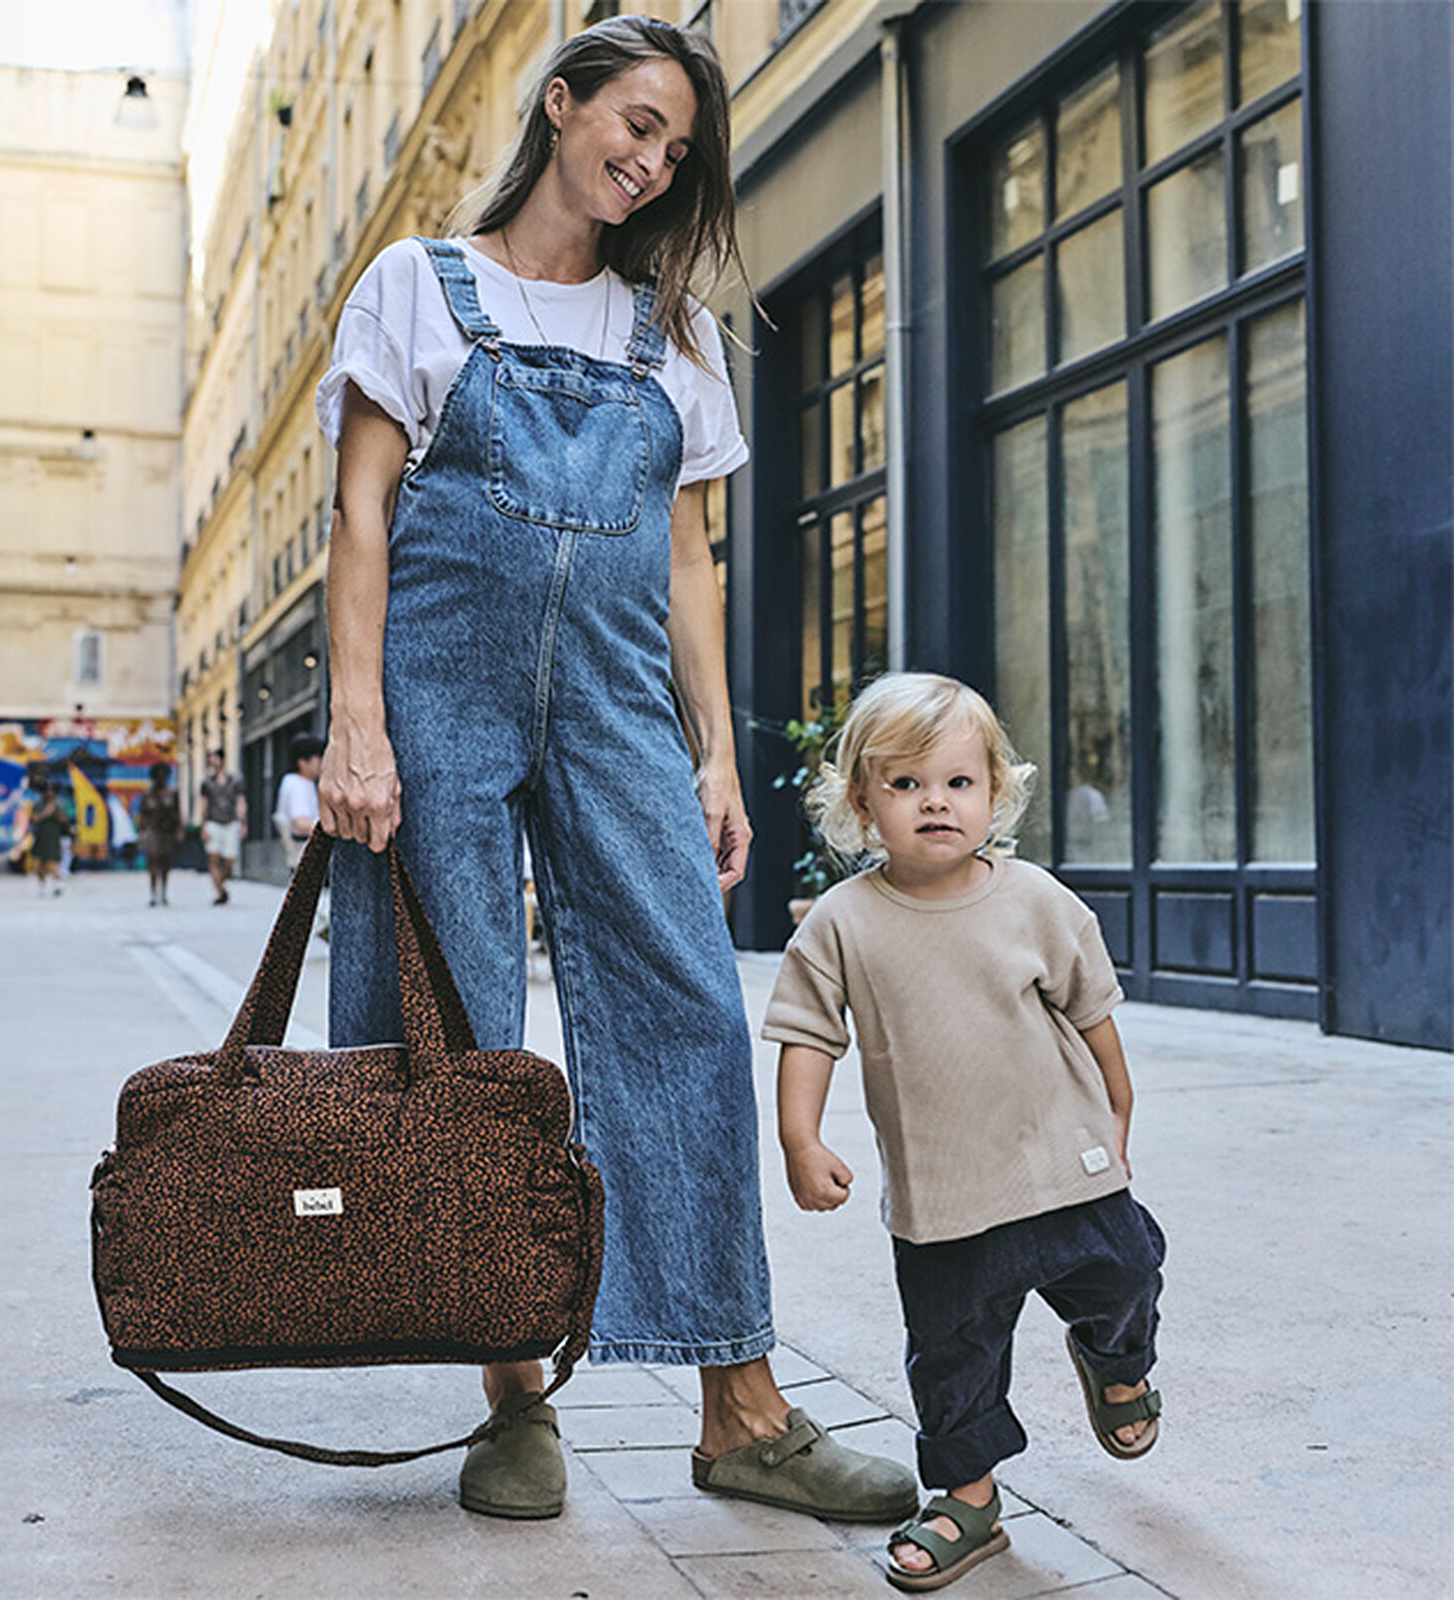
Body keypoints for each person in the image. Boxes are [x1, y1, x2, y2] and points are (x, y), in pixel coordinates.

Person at [316, 15, 915, 1527]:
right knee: (461, 1036)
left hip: (614, 705)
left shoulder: (676, 331)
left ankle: (742, 1407)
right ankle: (509, 1391)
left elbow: (690, 559)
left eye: (673, 151)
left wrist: (713, 753)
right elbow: (363, 517)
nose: (647, 163)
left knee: (688, 1016)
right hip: (438, 688)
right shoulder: (419, 286)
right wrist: (357, 723)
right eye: (632, 125)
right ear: (562, 102)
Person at [764, 673, 1166, 1592]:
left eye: (956, 783)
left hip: (1066, 1165)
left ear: (995, 793)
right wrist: (801, 1138)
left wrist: (1118, 1107)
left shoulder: (1035, 899)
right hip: (943, 1198)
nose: (934, 803)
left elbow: (1094, 1012)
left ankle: (1118, 1364)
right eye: (904, 786)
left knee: (1127, 1270)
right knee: (952, 1356)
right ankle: (969, 1500)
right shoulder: (841, 924)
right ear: (862, 805)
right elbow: (806, 1035)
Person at [198, 748, 246, 905]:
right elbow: (203, 805)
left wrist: (243, 823)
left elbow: (240, 802)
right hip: (213, 822)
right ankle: (219, 893)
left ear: (222, 760)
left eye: (214, 759)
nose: (212, 762)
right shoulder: (206, 782)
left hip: (231, 822)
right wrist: (203, 826)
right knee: (213, 858)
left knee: (229, 861)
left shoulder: (235, 781)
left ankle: (221, 884)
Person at [273, 733, 325, 874]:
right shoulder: (297, 785)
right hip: (306, 857)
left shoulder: (299, 782)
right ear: (302, 762)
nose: (322, 763)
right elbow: (301, 824)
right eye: (318, 758)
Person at [137, 762, 183, 907]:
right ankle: (153, 892)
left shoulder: (172, 794)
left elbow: (177, 813)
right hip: (152, 830)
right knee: (153, 861)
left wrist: (179, 829)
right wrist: (142, 832)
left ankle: (163, 891)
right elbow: (142, 815)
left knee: (165, 861)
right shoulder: (147, 795)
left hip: (167, 831)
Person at [27, 784, 70, 897]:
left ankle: (58, 885)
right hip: (41, 838)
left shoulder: (59, 805)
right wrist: (46, 812)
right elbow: (34, 818)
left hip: (53, 839)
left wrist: (58, 814)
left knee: (53, 864)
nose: (50, 794)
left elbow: (65, 820)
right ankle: (42, 885)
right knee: (38, 865)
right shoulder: (39, 805)